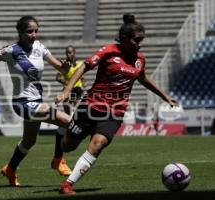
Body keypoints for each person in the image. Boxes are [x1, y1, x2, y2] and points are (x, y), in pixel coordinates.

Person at [55, 13, 179, 195]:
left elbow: (142, 78)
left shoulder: (140, 59)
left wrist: (164, 96)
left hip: (115, 111)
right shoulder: (108, 51)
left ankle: (68, 184)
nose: (140, 44)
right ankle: (60, 140)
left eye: (142, 40)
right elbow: (84, 66)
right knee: (68, 146)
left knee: (97, 144)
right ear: (125, 39)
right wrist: (67, 91)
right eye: (137, 40)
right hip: (90, 106)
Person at [0, 15, 72, 187]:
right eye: (29, 31)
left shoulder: (40, 47)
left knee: (29, 141)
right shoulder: (11, 51)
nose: (34, 35)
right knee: (68, 121)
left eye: (36, 31)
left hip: (36, 101)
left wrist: (64, 67)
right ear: (20, 32)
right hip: (22, 103)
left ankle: (10, 169)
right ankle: (58, 159)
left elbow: (59, 67)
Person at [55, 45, 87, 115]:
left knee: (78, 111)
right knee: (67, 110)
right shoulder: (65, 65)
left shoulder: (80, 63)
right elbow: (57, 77)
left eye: (69, 53)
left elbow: (81, 76)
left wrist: (83, 81)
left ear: (74, 53)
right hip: (68, 90)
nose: (67, 55)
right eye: (66, 53)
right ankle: (68, 122)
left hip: (78, 89)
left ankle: (76, 123)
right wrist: (66, 82)